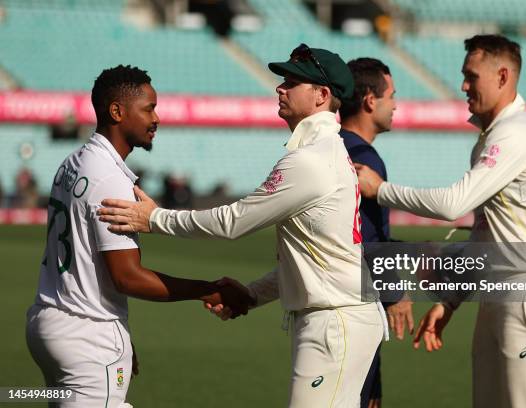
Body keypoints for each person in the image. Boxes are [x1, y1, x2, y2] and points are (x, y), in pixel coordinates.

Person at [98, 44, 387, 407]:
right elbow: (309, 262)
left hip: (334, 322)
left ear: (322, 96)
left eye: (293, 82)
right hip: (336, 318)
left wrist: (154, 218)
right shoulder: (323, 153)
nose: (280, 88)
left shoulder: (312, 160)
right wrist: (251, 294)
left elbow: (232, 222)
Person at [357, 35, 526, 408]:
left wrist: (380, 190)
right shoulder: (495, 136)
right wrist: (452, 300)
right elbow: (485, 233)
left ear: (503, 76)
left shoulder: (516, 132)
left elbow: (453, 203)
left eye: (471, 76)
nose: (463, 86)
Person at [26, 65, 248, 407]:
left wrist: (120, 340)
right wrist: (209, 289)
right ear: (117, 111)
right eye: (148, 108)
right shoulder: (109, 179)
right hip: (88, 338)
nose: (156, 118)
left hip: (49, 324)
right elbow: (127, 277)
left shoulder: (72, 163)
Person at [339, 57, 413, 408]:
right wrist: (395, 292)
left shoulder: (336, 147)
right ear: (370, 100)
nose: (396, 104)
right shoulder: (363, 158)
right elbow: (365, 241)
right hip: (354, 307)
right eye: (392, 96)